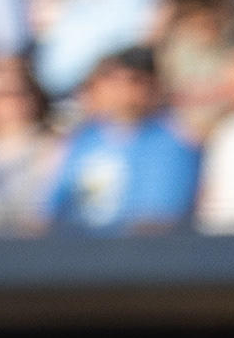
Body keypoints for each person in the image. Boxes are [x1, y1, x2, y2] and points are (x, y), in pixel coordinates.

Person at [44, 47, 201, 232]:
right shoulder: (84, 139)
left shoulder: (175, 142)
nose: (122, 91)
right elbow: (51, 210)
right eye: (113, 81)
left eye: (134, 81)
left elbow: (158, 220)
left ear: (154, 87)